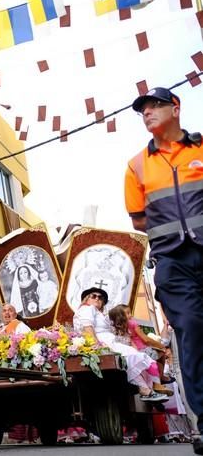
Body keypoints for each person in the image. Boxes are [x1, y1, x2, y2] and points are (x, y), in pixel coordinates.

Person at [125, 86, 203, 454]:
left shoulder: (201, 149)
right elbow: (139, 219)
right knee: (191, 332)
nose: (148, 112)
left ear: (175, 108)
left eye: (155, 105)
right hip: (173, 263)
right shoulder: (137, 165)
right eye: (143, 109)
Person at [73, 287, 167, 402]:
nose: (97, 299)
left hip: (109, 341)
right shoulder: (87, 309)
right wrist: (97, 345)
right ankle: (146, 390)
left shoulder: (97, 312)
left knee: (135, 357)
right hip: (103, 342)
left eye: (100, 297)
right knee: (133, 357)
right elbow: (87, 327)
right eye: (94, 296)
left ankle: (149, 390)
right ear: (86, 299)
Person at [108, 304, 172, 396]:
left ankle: (157, 383)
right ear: (121, 316)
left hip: (133, 352)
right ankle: (160, 380)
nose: (131, 315)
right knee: (161, 354)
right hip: (143, 348)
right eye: (128, 313)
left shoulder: (117, 329)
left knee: (153, 364)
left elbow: (130, 342)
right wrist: (162, 346)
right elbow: (145, 339)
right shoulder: (132, 323)